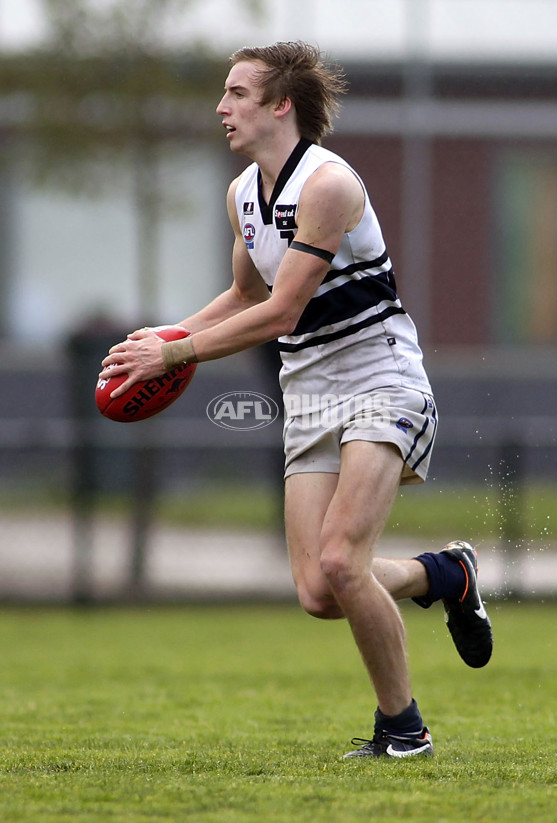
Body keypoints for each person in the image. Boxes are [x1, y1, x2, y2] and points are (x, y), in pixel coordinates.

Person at [99, 41, 492, 760]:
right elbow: (245, 295)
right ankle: (448, 574)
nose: (222, 108)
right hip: (308, 390)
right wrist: (165, 334)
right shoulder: (242, 193)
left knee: (344, 561)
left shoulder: (329, 186)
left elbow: (280, 312)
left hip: (381, 377)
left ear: (280, 104)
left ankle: (404, 730)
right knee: (319, 588)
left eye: (237, 93)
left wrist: (176, 353)